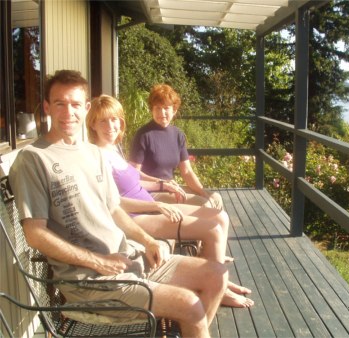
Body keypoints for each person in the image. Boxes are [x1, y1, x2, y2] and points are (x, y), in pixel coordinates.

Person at [9, 69, 228, 337]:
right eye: (60, 104)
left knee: (217, 275)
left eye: (76, 104)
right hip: (90, 281)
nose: (69, 112)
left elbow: (114, 209)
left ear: (86, 108)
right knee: (190, 305)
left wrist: (148, 241)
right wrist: (98, 261)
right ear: (47, 107)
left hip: (128, 258)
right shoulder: (34, 159)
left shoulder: (94, 154)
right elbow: (35, 234)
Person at [86, 94, 254, 308]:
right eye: (103, 120)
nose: (111, 125)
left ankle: (219, 281)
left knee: (219, 217)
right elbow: (115, 203)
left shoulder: (112, 149)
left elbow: (135, 182)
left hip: (150, 206)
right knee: (212, 229)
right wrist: (156, 204)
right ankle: (217, 288)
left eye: (114, 119)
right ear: (92, 123)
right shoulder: (96, 156)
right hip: (136, 217)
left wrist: (163, 185)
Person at [129, 84, 223, 209]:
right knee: (204, 204)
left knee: (215, 198)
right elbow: (133, 173)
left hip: (171, 188)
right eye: (157, 108)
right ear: (152, 109)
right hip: (151, 192)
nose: (162, 112)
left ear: (174, 110)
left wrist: (203, 192)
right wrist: (161, 183)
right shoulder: (143, 135)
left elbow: (187, 171)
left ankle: (216, 228)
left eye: (166, 108)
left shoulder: (178, 135)